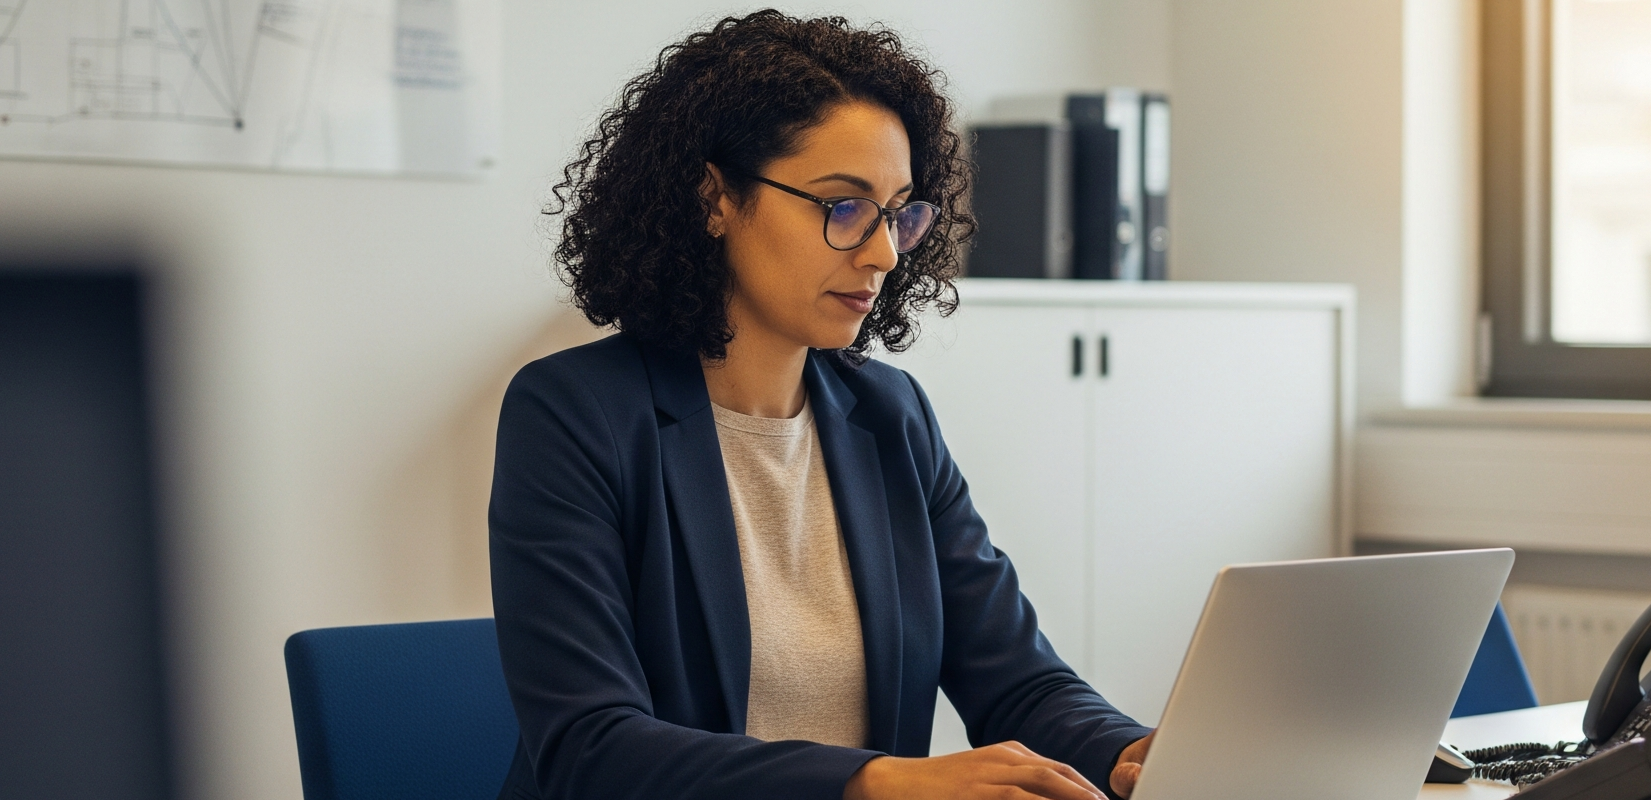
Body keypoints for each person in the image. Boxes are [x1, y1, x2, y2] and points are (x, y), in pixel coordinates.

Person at [489, 11, 1155, 800]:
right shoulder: (574, 414)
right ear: (714, 198)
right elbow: (592, 749)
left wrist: (1133, 753)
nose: (880, 253)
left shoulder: (890, 416)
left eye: (899, 213)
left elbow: (1017, 681)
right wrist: (872, 782)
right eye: (843, 206)